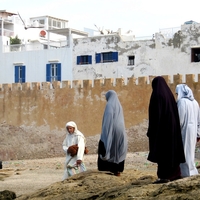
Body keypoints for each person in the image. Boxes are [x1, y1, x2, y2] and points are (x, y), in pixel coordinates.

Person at [147, 76, 185, 184]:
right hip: (172, 129)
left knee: (163, 153)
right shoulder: (169, 95)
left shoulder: (157, 95)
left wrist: (152, 131)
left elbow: (156, 115)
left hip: (162, 131)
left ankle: (164, 176)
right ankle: (175, 174)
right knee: (172, 152)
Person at [97, 90, 127, 176]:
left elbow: (108, 119)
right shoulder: (119, 105)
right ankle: (118, 169)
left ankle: (111, 168)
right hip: (120, 129)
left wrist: (105, 132)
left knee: (109, 145)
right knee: (118, 148)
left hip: (113, 129)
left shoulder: (109, 105)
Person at [176, 84, 200, 177]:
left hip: (184, 131)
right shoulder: (195, 102)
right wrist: (198, 134)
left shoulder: (182, 102)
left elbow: (180, 119)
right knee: (190, 152)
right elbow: (199, 120)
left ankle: (186, 173)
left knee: (184, 153)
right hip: (193, 131)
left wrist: (176, 132)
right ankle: (192, 171)